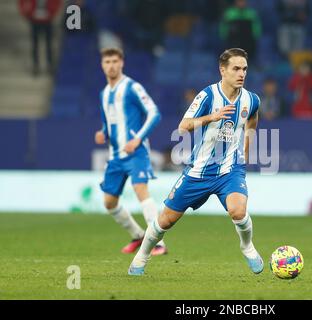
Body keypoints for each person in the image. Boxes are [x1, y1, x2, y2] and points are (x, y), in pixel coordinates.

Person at [128, 48, 263, 276]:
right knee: (165, 221)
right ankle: (142, 256)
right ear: (223, 70)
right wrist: (212, 116)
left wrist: (245, 154)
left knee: (238, 211)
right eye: (236, 69)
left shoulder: (252, 100)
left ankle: (247, 246)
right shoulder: (208, 96)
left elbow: (251, 122)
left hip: (230, 170)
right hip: (199, 171)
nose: (242, 74)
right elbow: (183, 126)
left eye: (245, 69)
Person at [95, 48, 167, 256]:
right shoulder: (104, 94)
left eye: (115, 61)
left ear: (122, 63)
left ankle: (158, 242)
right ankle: (138, 235)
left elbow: (154, 113)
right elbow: (108, 123)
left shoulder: (132, 87)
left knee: (140, 190)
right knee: (109, 203)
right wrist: (102, 133)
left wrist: (137, 139)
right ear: (102, 65)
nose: (111, 65)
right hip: (116, 156)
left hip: (136, 152)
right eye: (107, 62)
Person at [18, 0, 62, 76]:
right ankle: (36, 65)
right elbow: (21, 3)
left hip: (47, 20)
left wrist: (51, 13)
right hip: (35, 20)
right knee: (35, 45)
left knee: (48, 44)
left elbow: (57, 3)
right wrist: (28, 13)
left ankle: (49, 65)